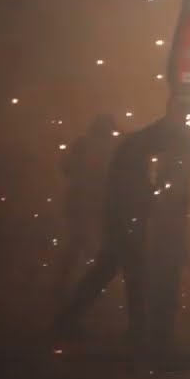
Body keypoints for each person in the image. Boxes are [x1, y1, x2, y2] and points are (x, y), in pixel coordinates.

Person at [52, 114, 181, 356]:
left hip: (121, 222)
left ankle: (67, 321)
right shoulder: (132, 151)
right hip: (125, 223)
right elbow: (130, 191)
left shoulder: (132, 148)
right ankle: (136, 333)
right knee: (134, 278)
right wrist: (149, 202)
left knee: (105, 273)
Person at [53, 114, 118, 299]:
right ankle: (86, 286)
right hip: (93, 202)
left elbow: (65, 167)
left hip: (81, 201)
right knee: (88, 244)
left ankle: (66, 285)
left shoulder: (82, 143)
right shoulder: (109, 147)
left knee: (79, 243)